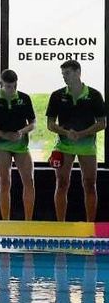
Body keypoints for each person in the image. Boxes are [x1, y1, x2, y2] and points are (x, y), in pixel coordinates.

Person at [47, 58, 106, 221]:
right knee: (62, 183)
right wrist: (66, 133)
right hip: (63, 146)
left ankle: (90, 225)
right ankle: (61, 225)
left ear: (78, 72)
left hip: (87, 146)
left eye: (67, 73)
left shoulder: (94, 95)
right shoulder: (57, 95)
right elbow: (50, 124)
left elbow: (102, 123)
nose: (64, 77)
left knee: (89, 185)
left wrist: (82, 134)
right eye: (63, 74)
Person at [0, 69, 36, 221]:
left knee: (29, 181)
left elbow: (33, 123)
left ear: (16, 84)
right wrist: (3, 134)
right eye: (7, 86)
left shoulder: (24, 98)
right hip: (1, 146)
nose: (11, 89)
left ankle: (28, 221)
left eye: (13, 86)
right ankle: (6, 221)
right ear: (1, 84)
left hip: (21, 145)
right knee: (5, 182)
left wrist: (21, 132)